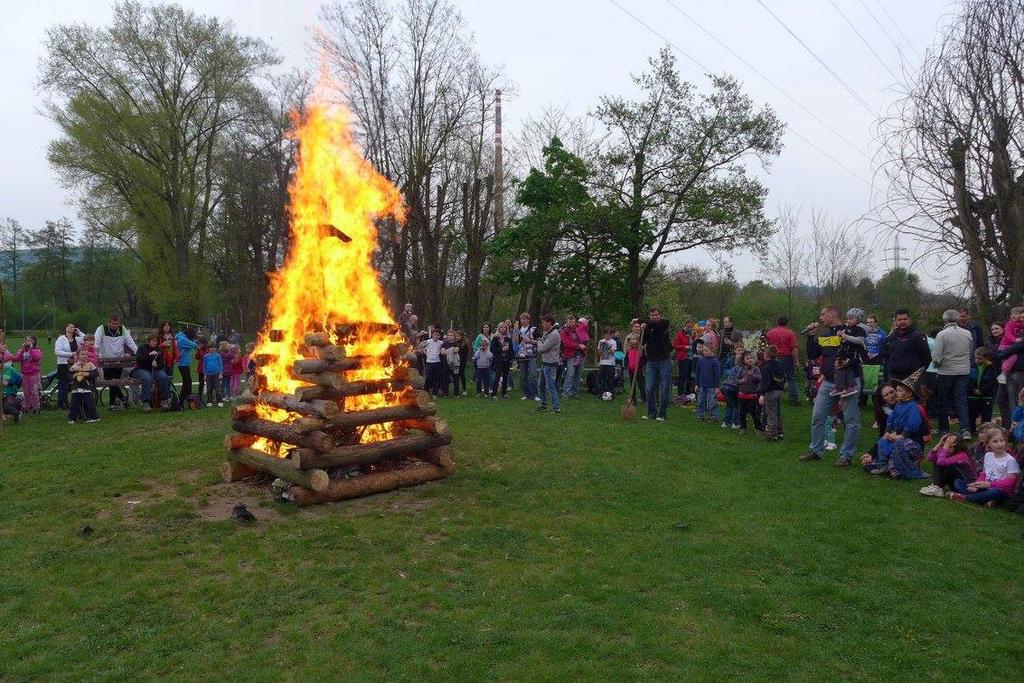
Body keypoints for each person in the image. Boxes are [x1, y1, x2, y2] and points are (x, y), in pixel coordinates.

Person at [799, 305, 865, 466]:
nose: (820, 318)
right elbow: (813, 354)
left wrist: (847, 362)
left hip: (848, 381)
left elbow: (861, 354)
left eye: (823, 314)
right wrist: (810, 336)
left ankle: (846, 456)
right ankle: (816, 450)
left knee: (850, 420)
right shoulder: (825, 334)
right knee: (817, 417)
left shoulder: (850, 331)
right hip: (828, 382)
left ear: (833, 314)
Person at [860, 374, 928, 480]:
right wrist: (887, 432)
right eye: (896, 390)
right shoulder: (899, 405)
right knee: (883, 441)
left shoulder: (913, 406)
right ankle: (882, 465)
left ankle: (901, 470)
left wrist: (902, 436)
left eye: (899, 391)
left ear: (909, 393)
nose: (896, 393)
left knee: (898, 445)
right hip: (898, 437)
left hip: (913, 441)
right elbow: (891, 420)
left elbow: (913, 424)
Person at [947, 427, 1020, 506]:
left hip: (1001, 490)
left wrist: (989, 485)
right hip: (985, 487)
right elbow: (984, 474)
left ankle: (966, 498)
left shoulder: (1010, 460)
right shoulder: (988, 455)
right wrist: (976, 484)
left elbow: (1011, 482)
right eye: (995, 441)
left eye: (1002, 441)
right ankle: (986, 500)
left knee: (995, 492)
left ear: (1005, 442)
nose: (999, 444)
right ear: (988, 443)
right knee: (958, 482)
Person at [932, 309, 974, 439]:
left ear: (945, 320)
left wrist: (937, 365)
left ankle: (944, 429)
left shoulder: (942, 334)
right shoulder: (967, 333)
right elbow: (971, 352)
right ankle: (965, 429)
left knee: (943, 400)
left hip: (946, 371)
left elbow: (937, 356)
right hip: (963, 371)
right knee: (961, 400)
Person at [634, 309, 672, 421]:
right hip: (651, 361)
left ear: (660, 315)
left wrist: (640, 321)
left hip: (664, 361)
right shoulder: (647, 327)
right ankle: (651, 412)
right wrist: (642, 331)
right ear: (649, 316)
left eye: (656, 315)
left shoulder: (664, 323)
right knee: (649, 388)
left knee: (664, 389)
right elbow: (644, 341)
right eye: (651, 315)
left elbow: (656, 324)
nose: (654, 317)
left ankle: (662, 414)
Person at [95, 316, 138, 410]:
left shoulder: (123, 329)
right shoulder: (102, 329)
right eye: (113, 323)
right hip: (106, 360)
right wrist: (96, 355)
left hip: (119, 360)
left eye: (117, 323)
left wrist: (138, 352)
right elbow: (96, 343)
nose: (115, 326)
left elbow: (130, 341)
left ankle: (112, 404)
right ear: (109, 323)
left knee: (114, 381)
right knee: (110, 381)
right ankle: (123, 399)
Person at [919, 433, 977, 497]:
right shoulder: (946, 452)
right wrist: (939, 443)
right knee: (937, 461)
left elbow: (941, 462)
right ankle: (936, 487)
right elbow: (930, 458)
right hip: (954, 482)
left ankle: (937, 487)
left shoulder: (962, 455)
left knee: (950, 465)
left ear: (955, 444)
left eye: (947, 441)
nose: (945, 443)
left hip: (964, 484)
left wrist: (946, 447)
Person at [880, 309, 931, 382]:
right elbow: (882, 353)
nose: (902, 321)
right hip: (893, 378)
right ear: (895, 322)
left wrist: (917, 375)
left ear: (909, 320)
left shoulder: (918, 336)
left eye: (905, 319)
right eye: (899, 319)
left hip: (912, 379)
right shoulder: (891, 337)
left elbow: (927, 358)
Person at [829, 308, 867, 399]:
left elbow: (860, 341)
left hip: (852, 353)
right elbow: (841, 337)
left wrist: (846, 336)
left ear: (857, 319)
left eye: (851, 318)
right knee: (838, 367)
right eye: (848, 318)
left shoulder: (859, 329)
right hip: (843, 351)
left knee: (847, 367)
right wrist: (839, 334)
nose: (848, 320)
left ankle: (851, 387)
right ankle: (839, 387)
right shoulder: (846, 328)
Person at [132, 333, 173, 412]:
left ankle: (164, 401)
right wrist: (149, 356)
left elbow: (162, 364)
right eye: (153, 341)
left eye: (156, 341)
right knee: (147, 378)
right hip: (141, 369)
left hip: (155, 370)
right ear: (149, 341)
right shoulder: (141, 348)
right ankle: (146, 403)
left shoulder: (159, 350)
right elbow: (139, 360)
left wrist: (157, 365)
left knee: (163, 377)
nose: (155, 343)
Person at [766, 315, 800, 406]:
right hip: (786, 357)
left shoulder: (770, 333)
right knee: (791, 378)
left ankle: (773, 397)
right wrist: (797, 361)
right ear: (787, 323)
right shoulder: (790, 333)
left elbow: (767, 346)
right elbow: (794, 348)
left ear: (777, 322)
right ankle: (793, 398)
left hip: (773, 357)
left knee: (773, 377)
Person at [535, 313, 562, 414]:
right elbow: (542, 344)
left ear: (549, 322)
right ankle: (543, 404)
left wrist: (538, 341)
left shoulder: (554, 334)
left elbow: (542, 348)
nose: (542, 325)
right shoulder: (548, 333)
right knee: (541, 385)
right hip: (545, 362)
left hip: (551, 363)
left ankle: (556, 408)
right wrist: (539, 341)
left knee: (550, 386)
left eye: (543, 323)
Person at [55, 323, 85, 409]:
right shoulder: (61, 339)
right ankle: (62, 404)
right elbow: (57, 351)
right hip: (63, 364)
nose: (71, 328)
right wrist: (71, 354)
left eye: (73, 327)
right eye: (69, 326)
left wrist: (79, 332)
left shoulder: (77, 339)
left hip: (74, 364)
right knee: (63, 385)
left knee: (75, 383)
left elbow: (87, 338)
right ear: (66, 328)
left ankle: (75, 402)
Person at [968, 347, 997, 434]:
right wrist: (973, 389)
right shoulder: (972, 366)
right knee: (971, 415)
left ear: (986, 358)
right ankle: (971, 430)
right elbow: (967, 380)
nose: (977, 360)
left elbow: (992, 381)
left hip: (986, 396)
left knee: (986, 416)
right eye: (976, 358)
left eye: (980, 358)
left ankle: (985, 432)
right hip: (972, 395)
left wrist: (982, 390)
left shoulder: (991, 367)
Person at [759, 345, 786, 440]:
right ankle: (779, 432)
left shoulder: (766, 367)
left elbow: (765, 382)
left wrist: (762, 394)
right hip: (778, 390)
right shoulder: (779, 365)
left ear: (766, 355)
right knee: (777, 412)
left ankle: (772, 433)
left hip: (770, 392)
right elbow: (784, 378)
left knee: (771, 413)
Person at [67, 349, 100, 424]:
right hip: (76, 388)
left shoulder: (90, 365)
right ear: (78, 356)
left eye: (86, 354)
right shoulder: (75, 365)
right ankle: (72, 418)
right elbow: (69, 376)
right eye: (82, 354)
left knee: (88, 403)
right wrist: (75, 375)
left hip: (86, 387)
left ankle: (93, 416)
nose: (84, 356)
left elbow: (95, 374)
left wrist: (87, 374)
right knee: (74, 404)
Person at [735, 350, 762, 434]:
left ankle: (758, 428)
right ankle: (743, 428)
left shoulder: (756, 369)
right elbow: (736, 380)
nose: (750, 360)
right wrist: (741, 381)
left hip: (753, 395)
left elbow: (760, 379)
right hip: (742, 395)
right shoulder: (741, 369)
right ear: (743, 360)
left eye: (751, 358)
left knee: (754, 413)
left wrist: (754, 376)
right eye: (747, 358)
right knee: (742, 412)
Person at [989, 322, 1012, 422]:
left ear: (1003, 329)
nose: (994, 331)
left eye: (997, 328)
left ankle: (1009, 423)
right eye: (992, 329)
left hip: (1009, 372)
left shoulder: (1006, 340)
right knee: (1002, 399)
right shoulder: (993, 341)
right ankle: (1007, 422)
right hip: (998, 372)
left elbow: (999, 354)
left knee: (1003, 398)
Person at [13, 335, 43, 414]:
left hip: (34, 374)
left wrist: (31, 349)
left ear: (34, 341)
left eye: (31, 340)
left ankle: (36, 407)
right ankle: (26, 406)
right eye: (27, 340)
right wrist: (22, 350)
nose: (29, 342)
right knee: (26, 392)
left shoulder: (37, 350)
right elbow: (17, 359)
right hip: (25, 374)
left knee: (34, 391)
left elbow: (37, 358)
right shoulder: (23, 351)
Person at [514, 314, 538, 401]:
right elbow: (516, 342)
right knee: (523, 376)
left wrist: (530, 341)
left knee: (533, 375)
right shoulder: (519, 330)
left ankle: (535, 394)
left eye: (525, 319)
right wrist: (515, 331)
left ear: (528, 320)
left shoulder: (534, 329)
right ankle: (526, 394)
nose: (523, 321)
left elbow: (540, 341)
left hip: (531, 355)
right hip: (521, 356)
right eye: (522, 319)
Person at [694, 344, 721, 423]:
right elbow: (697, 373)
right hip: (702, 385)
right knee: (700, 401)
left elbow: (717, 374)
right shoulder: (700, 361)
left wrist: (716, 387)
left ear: (712, 351)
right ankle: (700, 415)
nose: (704, 352)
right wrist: (696, 384)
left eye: (706, 351)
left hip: (711, 386)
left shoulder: (715, 361)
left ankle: (714, 416)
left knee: (712, 401)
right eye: (703, 351)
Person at [720, 346, 744, 429]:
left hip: (724, 386)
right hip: (732, 388)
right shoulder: (742, 369)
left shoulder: (733, 368)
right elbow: (738, 381)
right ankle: (735, 423)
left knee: (729, 405)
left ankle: (726, 422)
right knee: (736, 405)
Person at [559, 315, 583, 399]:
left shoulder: (577, 331)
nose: (572, 323)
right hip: (570, 355)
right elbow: (566, 344)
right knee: (570, 374)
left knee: (578, 374)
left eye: (573, 322)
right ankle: (566, 392)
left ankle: (574, 392)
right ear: (567, 322)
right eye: (570, 322)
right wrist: (578, 346)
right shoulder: (563, 331)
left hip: (580, 355)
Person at [174, 326, 199, 402]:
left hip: (184, 363)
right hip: (182, 364)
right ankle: (181, 399)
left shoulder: (182, 337)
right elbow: (195, 345)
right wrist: (196, 341)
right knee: (187, 382)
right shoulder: (183, 339)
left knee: (188, 381)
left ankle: (189, 398)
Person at [490, 322, 514, 399]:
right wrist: (501, 349)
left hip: (506, 360)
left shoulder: (508, 338)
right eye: (501, 327)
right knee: (497, 376)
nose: (503, 329)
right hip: (498, 359)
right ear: (499, 328)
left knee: (505, 377)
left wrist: (511, 358)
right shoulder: (495, 338)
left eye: (504, 327)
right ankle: (494, 394)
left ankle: (504, 393)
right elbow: (492, 349)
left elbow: (511, 349)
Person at [419, 330, 444, 398]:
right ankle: (425, 391)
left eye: (437, 335)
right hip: (429, 362)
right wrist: (425, 353)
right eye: (435, 335)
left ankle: (434, 393)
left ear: (439, 336)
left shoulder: (441, 343)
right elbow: (420, 345)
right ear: (432, 335)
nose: (436, 336)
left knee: (436, 377)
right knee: (428, 377)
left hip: (437, 362)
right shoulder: (428, 341)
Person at [624, 321, 645, 399]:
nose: (637, 328)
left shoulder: (643, 336)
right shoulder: (628, 337)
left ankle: (643, 397)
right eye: (635, 327)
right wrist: (627, 364)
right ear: (632, 328)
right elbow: (626, 352)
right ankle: (633, 398)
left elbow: (643, 356)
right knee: (632, 383)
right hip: (631, 365)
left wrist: (641, 365)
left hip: (639, 366)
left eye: (638, 327)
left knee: (641, 382)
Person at [202, 341, 224, 407]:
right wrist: (205, 374)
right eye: (210, 347)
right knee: (209, 389)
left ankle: (220, 401)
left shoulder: (218, 355)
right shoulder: (206, 356)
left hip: (217, 374)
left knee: (217, 389)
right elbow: (204, 366)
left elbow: (220, 365)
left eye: (213, 347)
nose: (212, 349)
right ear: (208, 348)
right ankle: (209, 401)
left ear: (215, 348)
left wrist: (220, 374)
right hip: (208, 375)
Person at [673, 324, 692, 396]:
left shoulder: (691, 334)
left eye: (690, 326)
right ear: (684, 326)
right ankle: (680, 393)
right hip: (682, 357)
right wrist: (685, 347)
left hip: (691, 357)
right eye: (688, 326)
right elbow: (675, 345)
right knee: (682, 376)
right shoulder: (680, 334)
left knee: (689, 376)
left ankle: (688, 393)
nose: (689, 328)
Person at [597, 328, 617, 395]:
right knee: (602, 379)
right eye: (605, 334)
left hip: (611, 364)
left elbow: (613, 353)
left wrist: (608, 346)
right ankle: (602, 393)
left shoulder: (613, 342)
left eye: (608, 334)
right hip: (602, 363)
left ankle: (611, 394)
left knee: (611, 379)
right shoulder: (601, 341)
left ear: (611, 335)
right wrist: (602, 348)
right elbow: (599, 353)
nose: (607, 336)